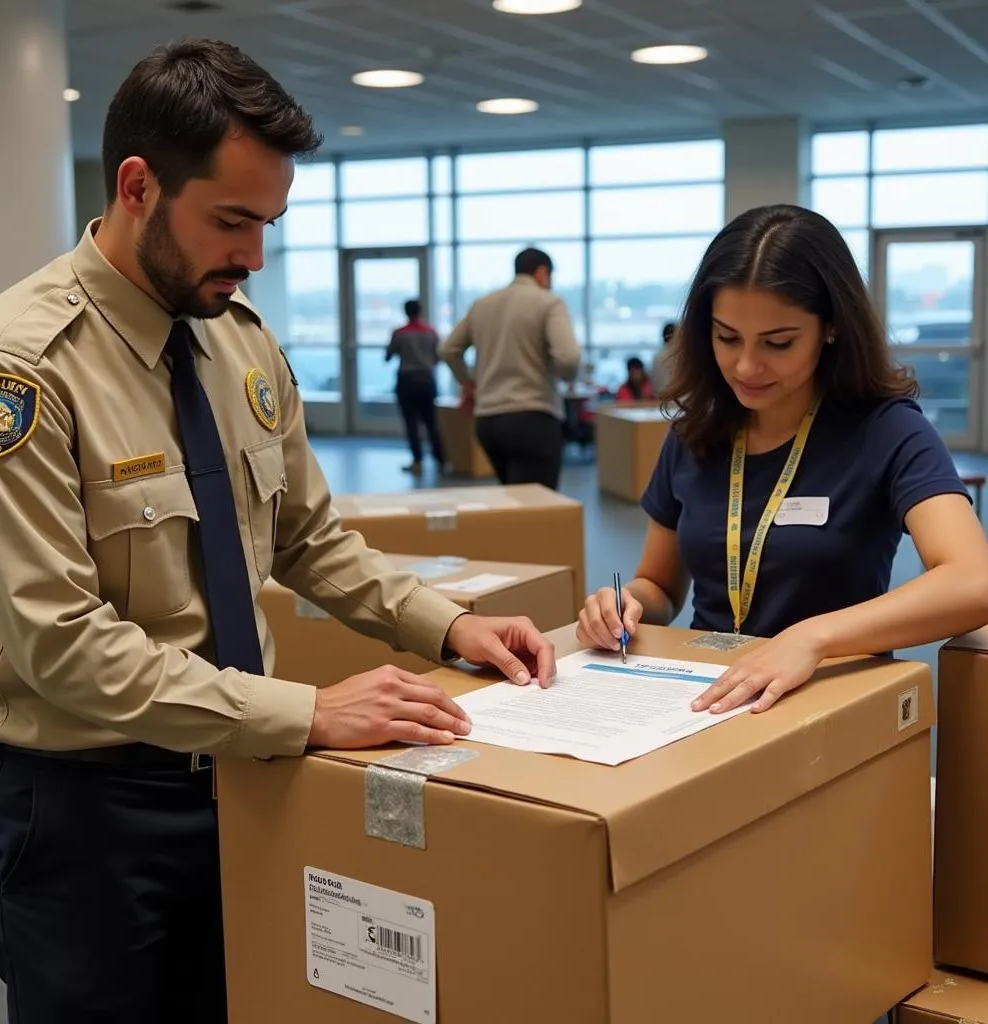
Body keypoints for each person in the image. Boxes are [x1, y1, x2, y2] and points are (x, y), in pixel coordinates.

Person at [0, 39, 556, 1024]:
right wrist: (308, 713)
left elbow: (312, 538)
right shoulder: (18, 370)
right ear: (139, 185)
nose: (254, 257)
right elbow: (62, 647)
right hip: (84, 810)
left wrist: (450, 626)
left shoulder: (239, 344)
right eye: (232, 221)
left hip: (244, 781)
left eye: (268, 223)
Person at [577, 204, 988, 716]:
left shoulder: (886, 430)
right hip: (705, 697)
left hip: (827, 700)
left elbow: (974, 581)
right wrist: (623, 605)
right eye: (727, 337)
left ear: (831, 327)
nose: (747, 365)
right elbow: (660, 585)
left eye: (778, 342)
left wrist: (812, 638)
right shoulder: (695, 433)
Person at [440, 247, 581, 491]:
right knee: (536, 510)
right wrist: (567, 377)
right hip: (533, 418)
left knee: (514, 500)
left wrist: (469, 383)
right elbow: (568, 359)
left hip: (488, 423)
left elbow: (448, 350)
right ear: (542, 271)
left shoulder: (482, 304)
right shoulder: (548, 303)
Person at [385, 298, 446, 475]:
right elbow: (438, 357)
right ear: (420, 311)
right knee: (431, 422)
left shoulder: (399, 333)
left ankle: (417, 461)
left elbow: (389, 355)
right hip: (427, 381)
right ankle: (440, 459)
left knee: (411, 423)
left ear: (406, 312)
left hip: (407, 381)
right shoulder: (432, 332)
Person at [650, 320, 678, 395]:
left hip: (661, 399)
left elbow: (654, 384)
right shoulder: (678, 355)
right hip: (677, 400)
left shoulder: (657, 356)